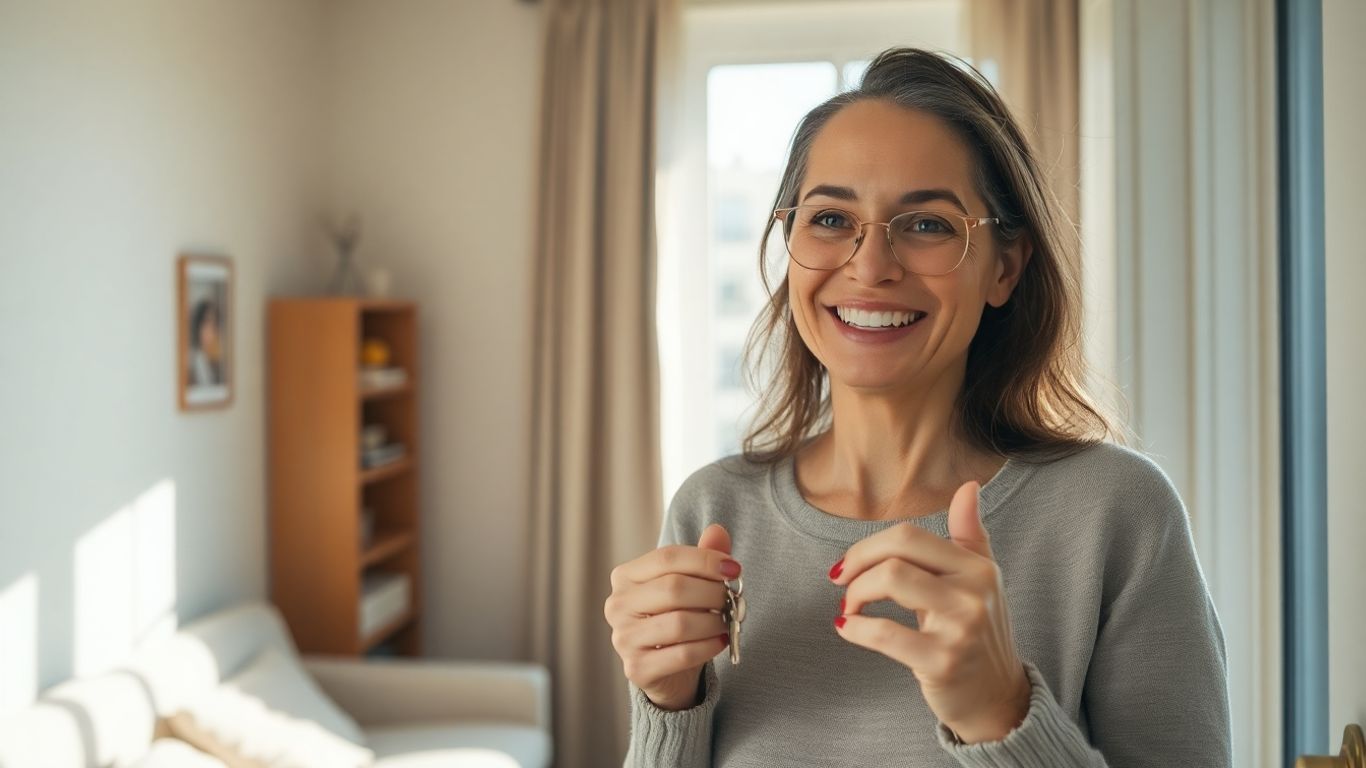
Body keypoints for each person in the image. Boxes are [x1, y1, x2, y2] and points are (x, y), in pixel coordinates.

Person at [603, 47, 1231, 766]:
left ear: (1005, 266)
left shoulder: (1118, 513)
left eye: (927, 224)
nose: (870, 266)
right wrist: (668, 706)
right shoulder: (714, 510)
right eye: (831, 219)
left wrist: (1001, 713)